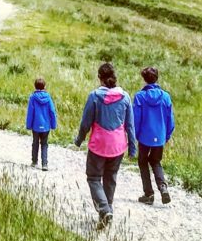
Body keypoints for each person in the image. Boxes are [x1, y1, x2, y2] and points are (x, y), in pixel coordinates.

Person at [74, 62, 136, 229]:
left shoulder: (94, 96)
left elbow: (85, 122)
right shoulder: (125, 97)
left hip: (99, 145)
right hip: (118, 146)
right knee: (110, 178)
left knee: (93, 177)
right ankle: (107, 212)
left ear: (99, 78)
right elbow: (130, 125)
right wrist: (132, 147)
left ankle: (104, 209)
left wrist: (79, 139)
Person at [132, 67, 175, 204]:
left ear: (144, 79)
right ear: (157, 78)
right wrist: (166, 135)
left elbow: (136, 119)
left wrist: (135, 134)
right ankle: (163, 187)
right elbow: (170, 120)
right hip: (160, 136)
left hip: (144, 136)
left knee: (143, 162)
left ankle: (149, 194)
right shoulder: (166, 97)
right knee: (156, 161)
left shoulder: (140, 97)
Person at [25, 77, 58, 171]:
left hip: (35, 126)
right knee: (44, 144)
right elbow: (52, 111)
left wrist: (28, 125)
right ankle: (44, 164)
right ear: (45, 86)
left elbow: (30, 112)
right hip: (46, 126)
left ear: (35, 87)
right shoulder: (48, 98)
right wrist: (53, 124)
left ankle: (34, 162)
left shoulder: (32, 98)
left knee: (35, 143)